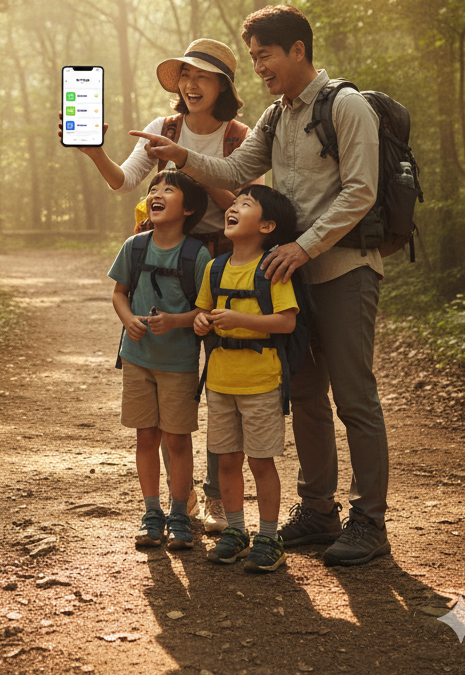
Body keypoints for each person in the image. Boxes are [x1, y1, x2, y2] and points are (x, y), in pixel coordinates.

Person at [130, 4, 390, 567]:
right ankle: (318, 511)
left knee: (354, 396)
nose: (259, 67)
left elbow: (361, 191)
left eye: (265, 55)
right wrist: (183, 157)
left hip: (342, 268)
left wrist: (303, 246)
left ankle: (370, 521)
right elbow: (235, 172)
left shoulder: (346, 106)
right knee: (306, 394)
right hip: (288, 274)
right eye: (252, 58)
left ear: (298, 49)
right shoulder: (277, 116)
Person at [66, 38, 252, 534]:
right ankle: (177, 503)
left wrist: (189, 163)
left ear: (223, 86)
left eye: (203, 76)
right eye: (185, 75)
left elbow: (246, 204)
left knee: (222, 386)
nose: (191, 85)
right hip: (164, 261)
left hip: (223, 264)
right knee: (170, 387)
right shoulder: (162, 128)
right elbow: (125, 181)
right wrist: (93, 151)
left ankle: (217, 498)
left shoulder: (240, 137)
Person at [193, 185, 299, 573]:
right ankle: (236, 533)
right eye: (234, 203)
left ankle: (269, 538)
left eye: (245, 204)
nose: (233, 207)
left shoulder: (272, 269)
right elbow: (202, 312)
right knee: (226, 461)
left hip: (261, 381)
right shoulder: (215, 267)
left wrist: (240, 319)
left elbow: (286, 322)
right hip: (220, 381)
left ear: (267, 226)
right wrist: (201, 321)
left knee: (260, 462)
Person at [109, 170, 211, 550]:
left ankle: (179, 513)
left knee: (177, 440)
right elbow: (119, 293)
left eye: (169, 189)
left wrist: (175, 321)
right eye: (154, 188)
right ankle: (152, 513)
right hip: (137, 359)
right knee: (146, 437)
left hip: (179, 363)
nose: (157, 193)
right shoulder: (135, 246)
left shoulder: (197, 254)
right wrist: (128, 320)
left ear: (188, 209)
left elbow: (205, 309)